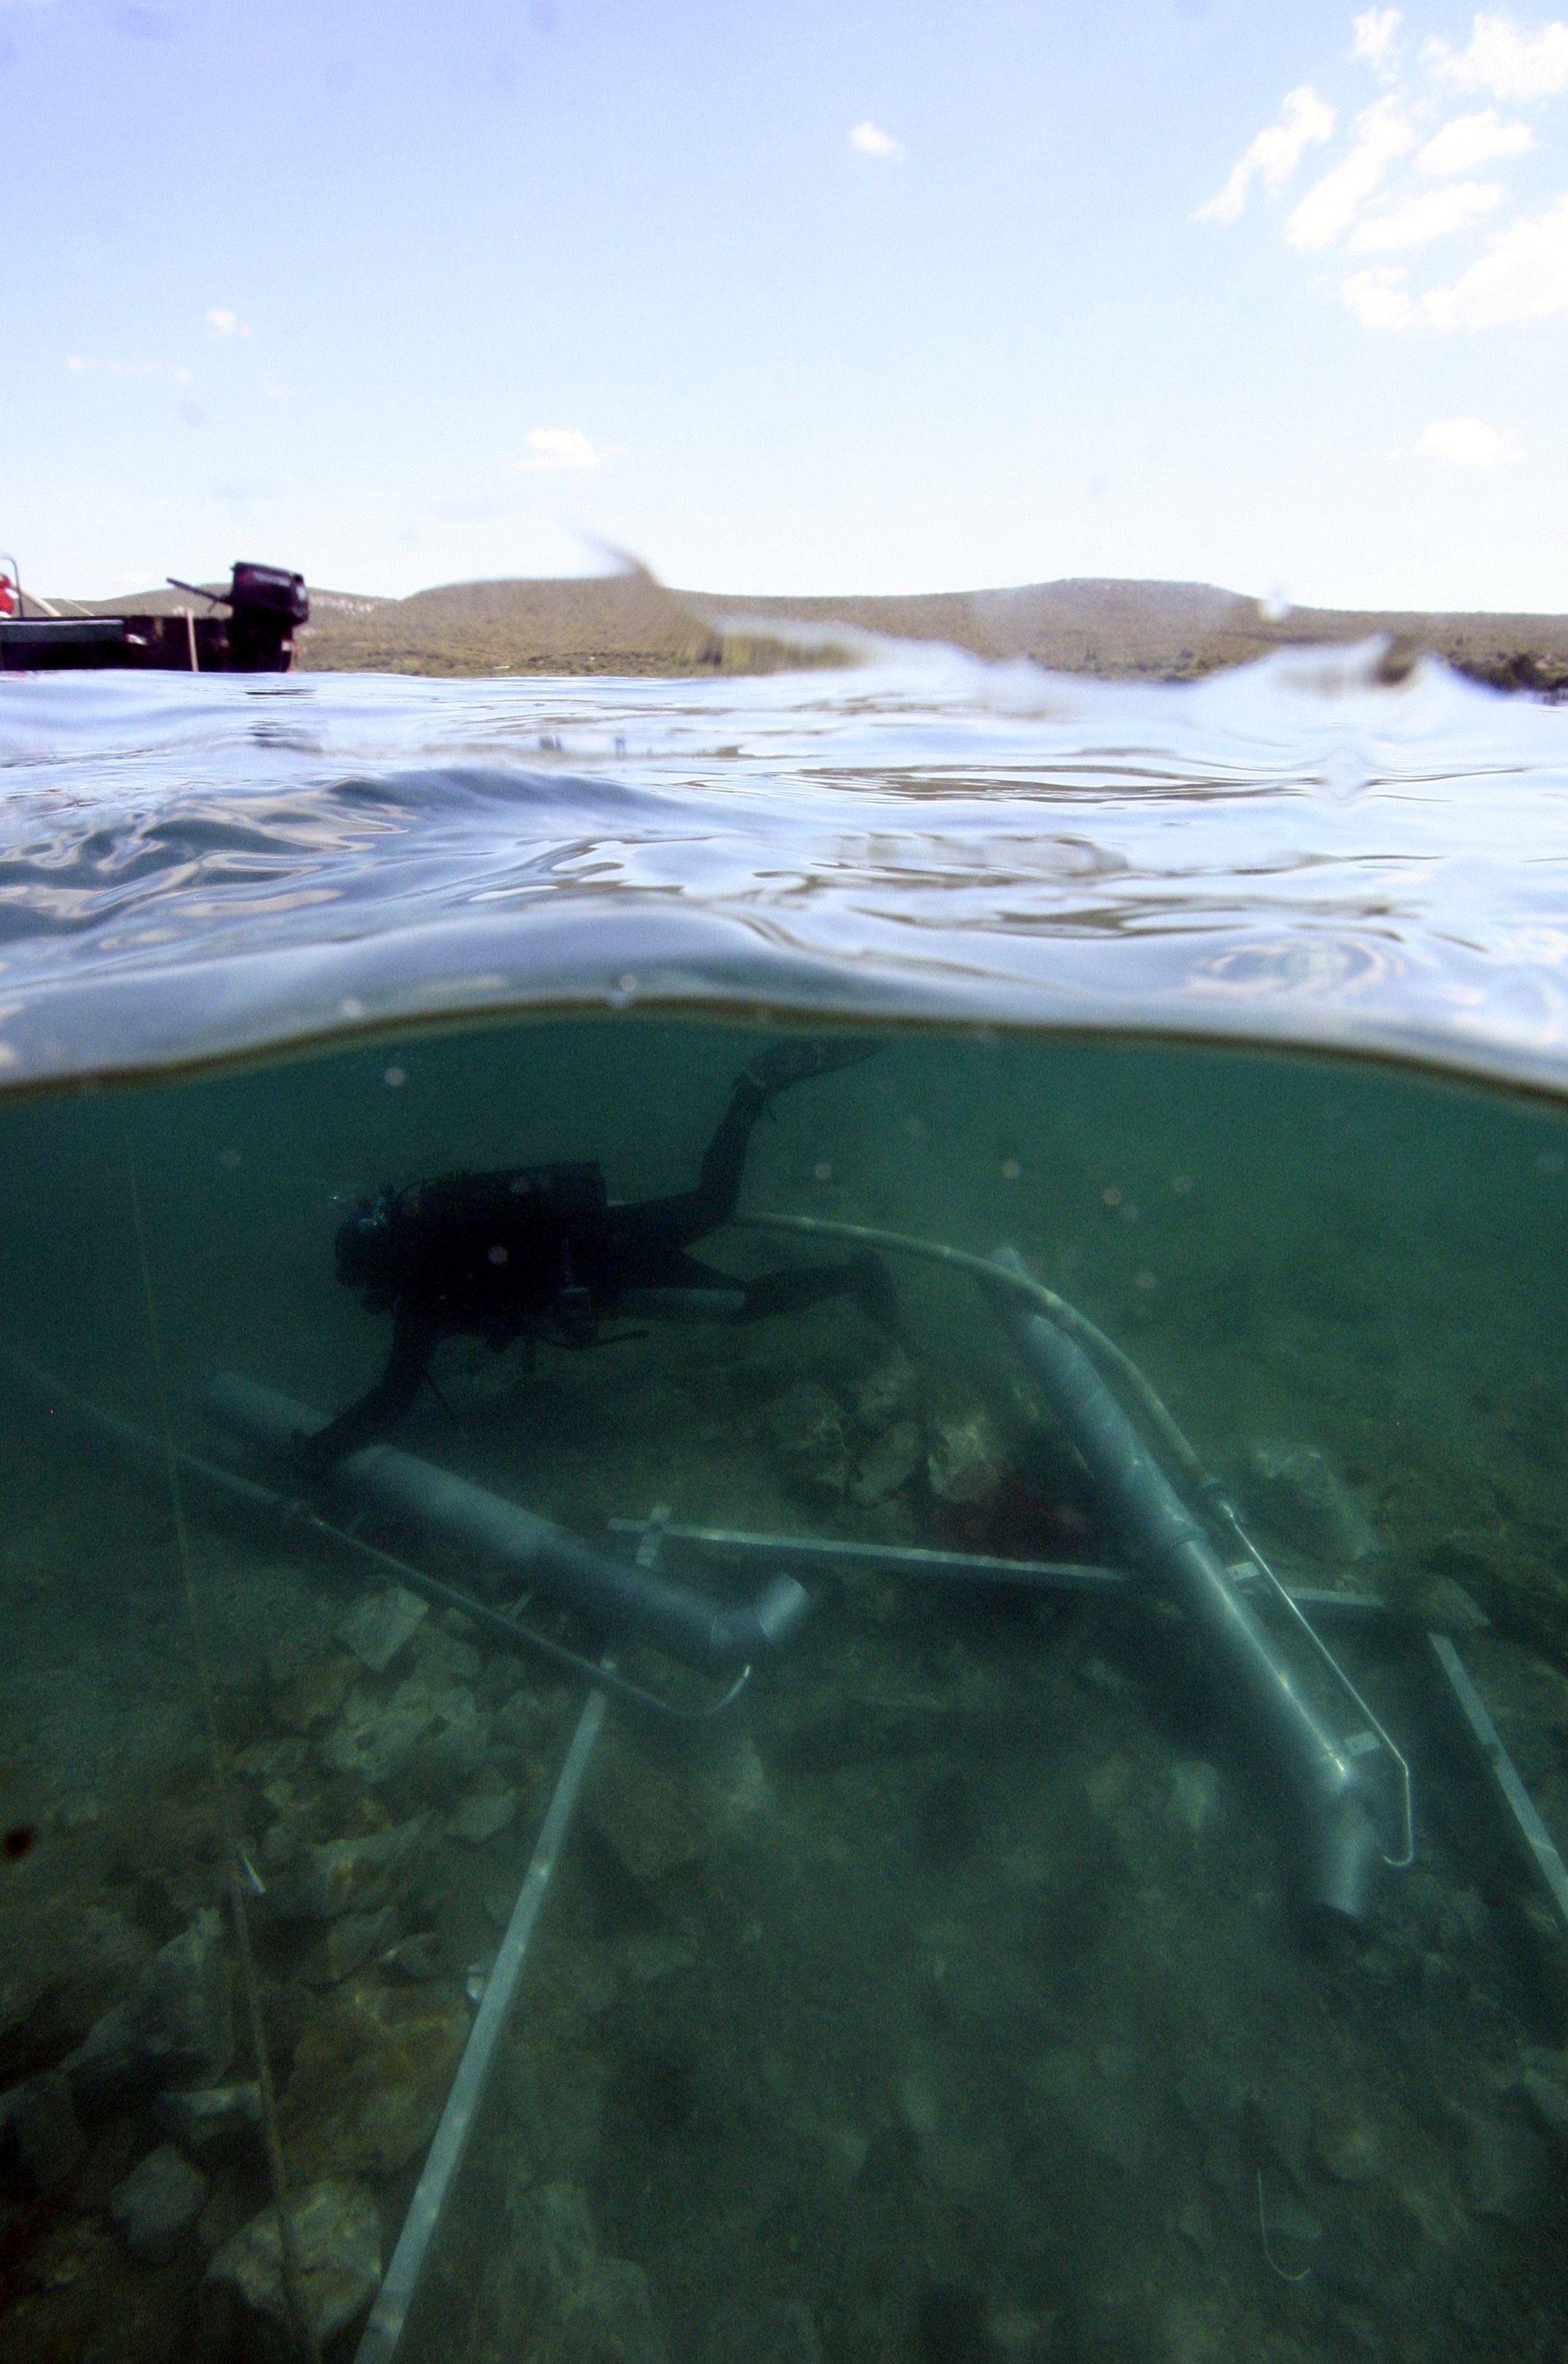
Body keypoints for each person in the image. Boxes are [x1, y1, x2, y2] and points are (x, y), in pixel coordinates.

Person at [297, 1038, 897, 1468]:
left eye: (362, 1282)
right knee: (712, 1204)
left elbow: (393, 1397)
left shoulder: (421, 1301)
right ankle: (750, 1093)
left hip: (612, 1276)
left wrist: (323, 1448)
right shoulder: (435, 1243)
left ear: (381, 1268)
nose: (368, 1297)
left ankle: (854, 1276)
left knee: (738, 1305)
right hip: (597, 1228)